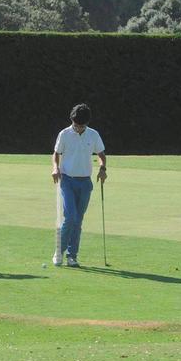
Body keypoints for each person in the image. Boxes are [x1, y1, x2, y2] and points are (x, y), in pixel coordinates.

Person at [51, 103, 106, 267]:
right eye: (75, 124)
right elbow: (56, 154)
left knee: (78, 220)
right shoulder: (65, 134)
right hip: (67, 179)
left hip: (85, 182)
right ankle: (59, 252)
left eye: (81, 125)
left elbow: (101, 154)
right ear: (72, 121)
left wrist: (103, 168)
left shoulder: (93, 135)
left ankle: (72, 256)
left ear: (87, 124)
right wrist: (55, 168)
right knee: (71, 217)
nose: (78, 128)